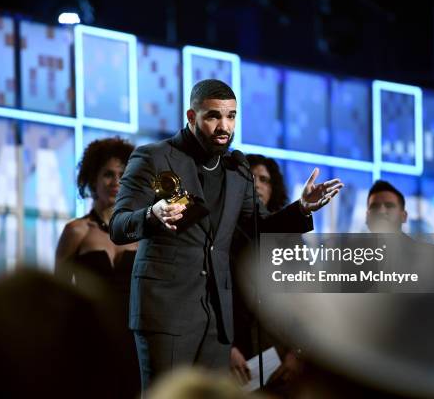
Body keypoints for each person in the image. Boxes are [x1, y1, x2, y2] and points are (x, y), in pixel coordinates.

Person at [109, 79, 343, 390]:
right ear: (192, 117)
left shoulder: (238, 169)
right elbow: (119, 225)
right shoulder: (153, 157)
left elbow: (258, 228)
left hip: (217, 319)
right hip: (167, 313)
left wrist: (301, 208)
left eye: (231, 116)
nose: (224, 126)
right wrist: (152, 214)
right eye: (213, 116)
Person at [54, 137, 140, 397]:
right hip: (89, 339)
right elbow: (57, 292)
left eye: (123, 175)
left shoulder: (142, 233)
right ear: (92, 179)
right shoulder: (76, 231)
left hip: (134, 340)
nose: (116, 182)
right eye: (108, 174)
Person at [229, 154, 301, 386]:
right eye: (249, 177)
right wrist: (225, 350)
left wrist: (296, 354)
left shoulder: (291, 239)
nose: (256, 184)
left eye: (264, 179)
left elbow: (309, 302)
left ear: (274, 189)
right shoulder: (219, 235)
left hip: (279, 360)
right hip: (230, 359)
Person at [366, 179, 434, 331]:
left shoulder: (432, 257)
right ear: (367, 217)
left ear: (404, 216)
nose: (382, 211)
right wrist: (310, 210)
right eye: (375, 207)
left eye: (389, 206)